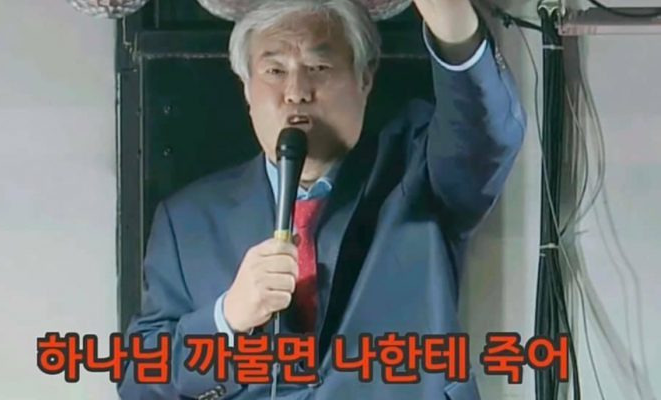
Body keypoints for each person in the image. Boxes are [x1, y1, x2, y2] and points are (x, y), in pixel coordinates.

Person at [118, 0, 526, 398]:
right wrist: (226, 319)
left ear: (364, 78)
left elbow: (484, 132)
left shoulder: (420, 173)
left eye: (318, 67)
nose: (296, 92)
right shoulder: (187, 220)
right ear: (246, 87)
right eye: (275, 70)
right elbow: (139, 379)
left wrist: (451, 20)